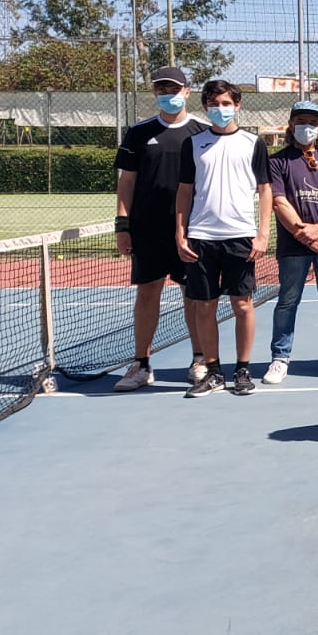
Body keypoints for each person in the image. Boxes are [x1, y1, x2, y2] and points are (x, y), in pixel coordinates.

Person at [112, 66, 209, 392]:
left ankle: (199, 359)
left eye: (174, 89)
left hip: (192, 230)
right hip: (147, 231)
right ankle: (141, 364)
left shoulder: (202, 131)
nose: (168, 95)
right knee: (147, 293)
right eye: (161, 90)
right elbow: (127, 182)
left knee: (193, 296)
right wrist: (122, 226)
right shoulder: (139, 132)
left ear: (187, 92)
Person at [174, 80, 272, 398]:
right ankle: (213, 372)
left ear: (237, 105)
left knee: (242, 305)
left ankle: (242, 370)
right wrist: (180, 233)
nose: (220, 109)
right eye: (214, 104)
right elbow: (185, 191)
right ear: (205, 107)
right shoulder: (193, 144)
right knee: (204, 307)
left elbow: (265, 190)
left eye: (226, 103)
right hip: (201, 237)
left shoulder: (253, 143)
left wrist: (262, 234)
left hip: (241, 237)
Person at [264, 101, 318, 384]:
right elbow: (279, 202)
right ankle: (280, 358)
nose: (307, 127)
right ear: (291, 125)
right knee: (288, 300)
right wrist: (305, 235)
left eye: (312, 122)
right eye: (301, 121)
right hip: (294, 246)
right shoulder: (277, 161)